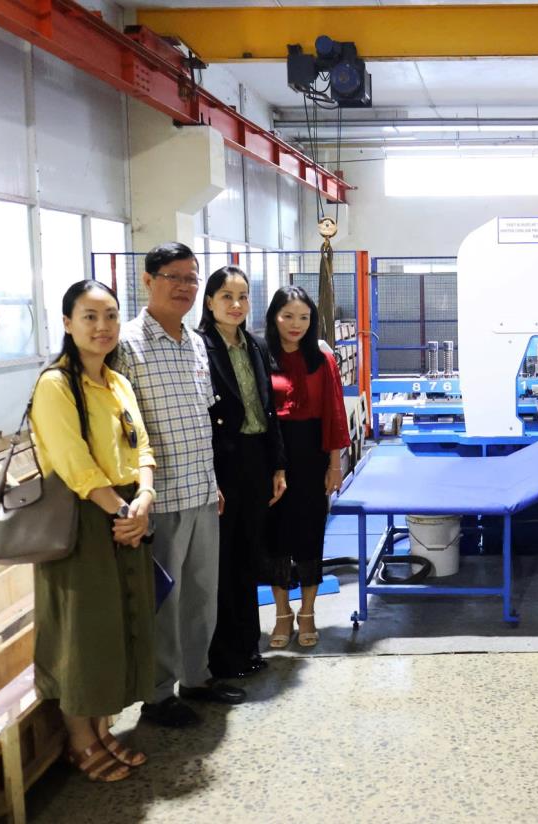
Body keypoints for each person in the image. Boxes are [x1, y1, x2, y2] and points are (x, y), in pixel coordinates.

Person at [30, 280, 156, 782]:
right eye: (89, 316)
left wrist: (145, 497)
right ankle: (80, 742)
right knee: (82, 631)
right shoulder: (56, 385)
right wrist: (124, 512)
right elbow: (74, 464)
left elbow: (142, 446)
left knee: (117, 625)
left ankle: (103, 730)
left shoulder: (117, 382)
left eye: (110, 316)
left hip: (125, 510)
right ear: (67, 323)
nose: (102, 327)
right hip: (82, 518)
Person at [116, 242, 246, 728]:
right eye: (174, 277)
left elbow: (201, 417)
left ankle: (197, 676)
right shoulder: (127, 345)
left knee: (201, 593)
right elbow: (121, 429)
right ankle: (157, 695)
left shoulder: (194, 341)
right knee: (164, 602)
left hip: (201, 491)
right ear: (148, 281)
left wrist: (213, 481)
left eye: (192, 278)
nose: (185, 287)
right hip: (159, 497)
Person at [197, 266, 287, 679]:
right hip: (222, 464)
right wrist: (211, 477)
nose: (236, 305)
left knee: (250, 556)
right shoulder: (200, 347)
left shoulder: (254, 344)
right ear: (210, 301)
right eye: (227, 296)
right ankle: (222, 657)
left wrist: (278, 464)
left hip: (256, 460)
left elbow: (269, 411)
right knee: (224, 562)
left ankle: (249, 647)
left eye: (243, 296)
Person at [263, 286, 350, 649]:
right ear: (274, 318)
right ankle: (282, 613)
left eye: (303, 317)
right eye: (287, 316)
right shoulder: (261, 356)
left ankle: (308, 612)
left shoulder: (322, 359)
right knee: (275, 537)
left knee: (310, 534)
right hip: (272, 458)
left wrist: (334, 465)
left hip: (312, 457)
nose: (295, 324)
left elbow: (334, 412)